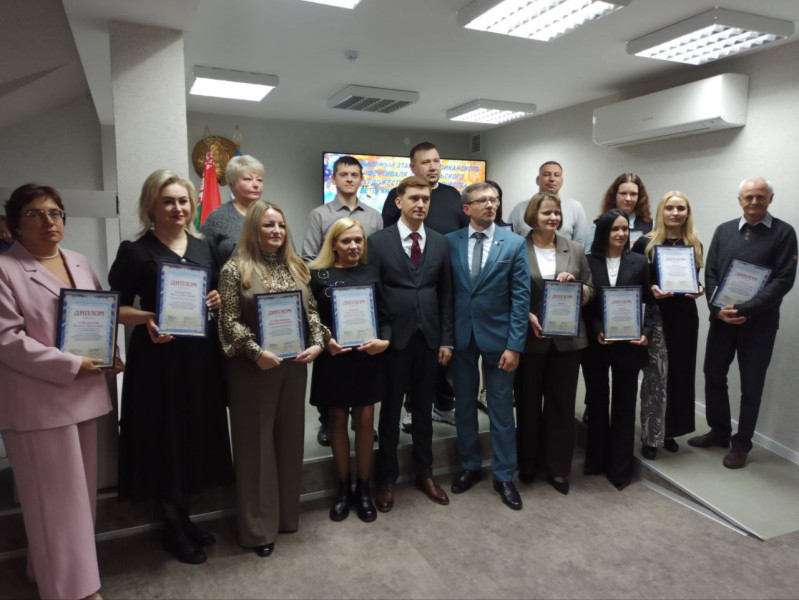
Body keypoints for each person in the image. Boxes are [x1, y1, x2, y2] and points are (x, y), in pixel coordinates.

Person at [0, 184, 123, 600]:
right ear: (16, 224)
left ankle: (48, 570)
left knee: (78, 500)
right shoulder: (5, 269)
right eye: (35, 214)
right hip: (37, 405)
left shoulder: (79, 261)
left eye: (55, 213)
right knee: (54, 502)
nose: (49, 221)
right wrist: (72, 363)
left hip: (83, 395)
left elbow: (99, 314)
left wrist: (109, 354)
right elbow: (7, 340)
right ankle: (74, 592)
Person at [109, 170, 233, 565]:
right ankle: (172, 528)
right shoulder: (136, 251)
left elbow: (216, 293)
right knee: (165, 439)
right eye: (168, 201)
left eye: (183, 201)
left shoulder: (205, 247)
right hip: (157, 361)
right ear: (151, 206)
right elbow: (113, 308)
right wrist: (147, 318)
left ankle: (186, 517)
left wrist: (215, 299)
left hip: (199, 359)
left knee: (194, 436)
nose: (177, 208)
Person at [218, 200, 327, 556]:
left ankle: (286, 517)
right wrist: (254, 352)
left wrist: (318, 342)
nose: (277, 231)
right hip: (254, 370)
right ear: (253, 228)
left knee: (290, 442)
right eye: (268, 225)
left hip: (294, 366)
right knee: (256, 448)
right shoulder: (235, 269)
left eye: (281, 225)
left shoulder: (296, 266)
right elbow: (229, 321)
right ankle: (258, 529)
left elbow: (312, 311)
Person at [689, 177, 797, 469]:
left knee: (751, 386)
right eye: (748, 197)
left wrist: (746, 308)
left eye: (760, 196)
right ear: (740, 200)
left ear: (770, 199)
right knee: (713, 375)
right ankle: (719, 432)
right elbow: (711, 273)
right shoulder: (724, 231)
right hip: (722, 321)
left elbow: (783, 280)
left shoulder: (784, 233)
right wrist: (717, 308)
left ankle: (741, 444)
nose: (754, 202)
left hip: (759, 325)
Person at [368, 176, 453, 512]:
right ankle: (387, 478)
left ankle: (425, 473)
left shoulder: (440, 242)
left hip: (429, 338)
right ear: (399, 201)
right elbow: (373, 294)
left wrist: (447, 339)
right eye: (414, 198)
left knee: (423, 410)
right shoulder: (378, 242)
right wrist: (382, 334)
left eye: (426, 199)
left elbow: (446, 293)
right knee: (390, 411)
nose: (420, 204)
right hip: (394, 340)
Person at [447, 182, 531, 510]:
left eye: (494, 199)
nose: (490, 205)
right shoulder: (450, 242)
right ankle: (470, 466)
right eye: (482, 200)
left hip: (500, 340)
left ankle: (504, 474)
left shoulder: (513, 243)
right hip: (462, 338)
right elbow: (446, 294)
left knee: (501, 409)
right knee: (465, 406)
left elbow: (521, 298)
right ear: (466, 208)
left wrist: (515, 345)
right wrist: (446, 339)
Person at [308, 219, 389, 522]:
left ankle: (364, 488)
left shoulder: (373, 272)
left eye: (358, 240)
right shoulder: (317, 275)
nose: (354, 246)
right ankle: (343, 488)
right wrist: (324, 340)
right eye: (346, 241)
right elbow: (311, 317)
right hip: (334, 357)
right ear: (333, 244)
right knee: (337, 420)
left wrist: (384, 341)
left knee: (366, 421)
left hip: (367, 357)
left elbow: (386, 315)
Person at [381, 142, 465, 428]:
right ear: (413, 167)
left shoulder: (453, 195)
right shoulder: (397, 195)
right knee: (410, 350)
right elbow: (389, 239)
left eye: (436, 161)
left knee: (442, 352)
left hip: (443, 281)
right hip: (409, 281)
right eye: (426, 162)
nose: (432, 166)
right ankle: (412, 407)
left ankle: (443, 404)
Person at [515, 192, 593, 495]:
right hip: (530, 338)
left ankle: (558, 468)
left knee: (562, 405)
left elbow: (590, 288)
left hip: (567, 341)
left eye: (557, 213)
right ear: (533, 216)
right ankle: (528, 464)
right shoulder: (517, 248)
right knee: (528, 403)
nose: (553, 218)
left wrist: (578, 288)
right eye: (547, 213)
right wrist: (526, 316)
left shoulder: (574, 249)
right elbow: (508, 291)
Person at [301, 155, 383, 447]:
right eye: (343, 174)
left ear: (361, 180)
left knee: (361, 366)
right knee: (332, 369)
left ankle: (361, 422)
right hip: (330, 295)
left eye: (354, 174)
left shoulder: (374, 216)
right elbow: (309, 257)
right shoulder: (319, 214)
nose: (349, 179)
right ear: (333, 179)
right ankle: (328, 421)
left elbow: (375, 257)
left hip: (362, 301)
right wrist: (327, 284)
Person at [582, 209, 652, 490]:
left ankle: (620, 469)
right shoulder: (588, 261)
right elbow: (585, 305)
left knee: (624, 405)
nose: (621, 234)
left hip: (629, 344)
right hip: (596, 344)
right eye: (615, 229)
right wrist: (598, 328)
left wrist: (645, 333)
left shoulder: (639, 262)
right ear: (604, 232)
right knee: (597, 402)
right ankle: (596, 460)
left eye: (625, 229)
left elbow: (649, 302)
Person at [632, 191, 705, 459]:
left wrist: (700, 288)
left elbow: (694, 279)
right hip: (656, 317)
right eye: (670, 208)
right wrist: (651, 289)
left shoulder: (694, 243)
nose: (675, 213)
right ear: (661, 211)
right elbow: (632, 281)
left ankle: (670, 432)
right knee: (655, 377)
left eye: (681, 208)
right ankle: (651, 436)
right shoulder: (645, 244)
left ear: (688, 212)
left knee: (680, 376)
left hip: (685, 318)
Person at [200, 154, 264, 272]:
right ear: (232, 184)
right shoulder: (217, 217)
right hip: (227, 282)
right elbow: (202, 259)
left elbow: (290, 255)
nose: (256, 185)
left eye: (259, 180)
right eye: (248, 179)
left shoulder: (272, 215)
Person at [507, 161, 591, 247]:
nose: (552, 179)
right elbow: (510, 242)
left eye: (557, 175)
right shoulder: (519, 209)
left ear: (562, 181)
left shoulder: (575, 207)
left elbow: (581, 243)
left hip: (565, 255)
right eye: (546, 174)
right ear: (538, 180)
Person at [585, 172, 653, 254]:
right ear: (614, 195)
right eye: (623, 193)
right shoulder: (598, 224)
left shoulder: (651, 225)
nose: (628, 198)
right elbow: (589, 256)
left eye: (633, 194)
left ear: (640, 197)